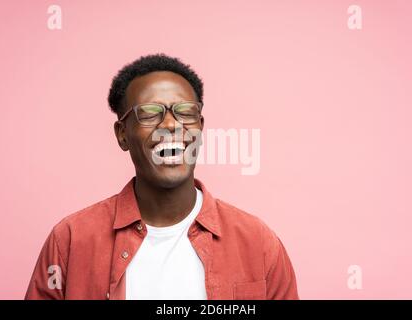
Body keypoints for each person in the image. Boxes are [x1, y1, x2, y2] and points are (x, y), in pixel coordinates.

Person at [25, 54, 299, 300]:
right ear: (122, 134)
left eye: (185, 112)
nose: (170, 124)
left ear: (200, 128)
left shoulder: (257, 242)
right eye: (150, 113)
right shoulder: (71, 240)